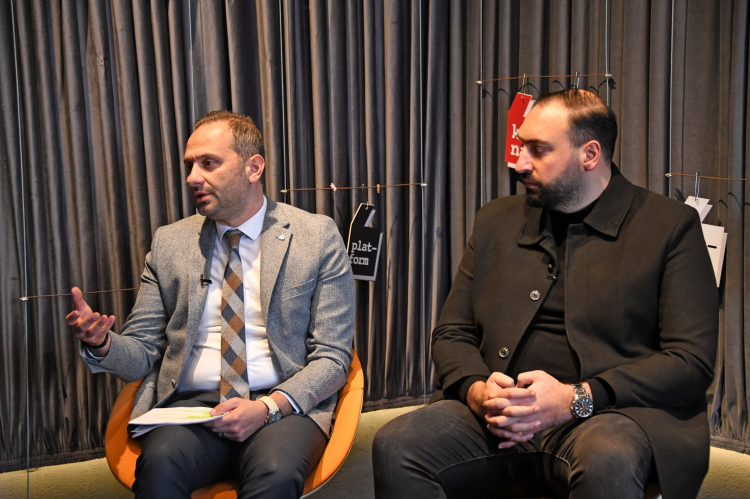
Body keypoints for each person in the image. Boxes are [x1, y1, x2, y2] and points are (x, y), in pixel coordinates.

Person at [372, 89, 718, 499]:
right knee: (397, 445)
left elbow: (690, 361)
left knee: (608, 458)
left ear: (590, 154)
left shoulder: (670, 226)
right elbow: (452, 333)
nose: (520, 163)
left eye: (538, 150)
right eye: (522, 146)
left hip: (608, 416)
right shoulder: (496, 220)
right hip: (498, 418)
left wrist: (576, 398)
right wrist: (478, 390)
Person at [67, 110, 355, 499]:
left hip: (281, 405)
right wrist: (102, 343)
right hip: (193, 408)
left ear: (254, 168)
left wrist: (269, 407)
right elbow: (141, 354)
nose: (192, 177)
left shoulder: (316, 236)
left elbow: (334, 357)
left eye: (208, 163)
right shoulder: (170, 243)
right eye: (189, 165)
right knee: (160, 466)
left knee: (275, 473)